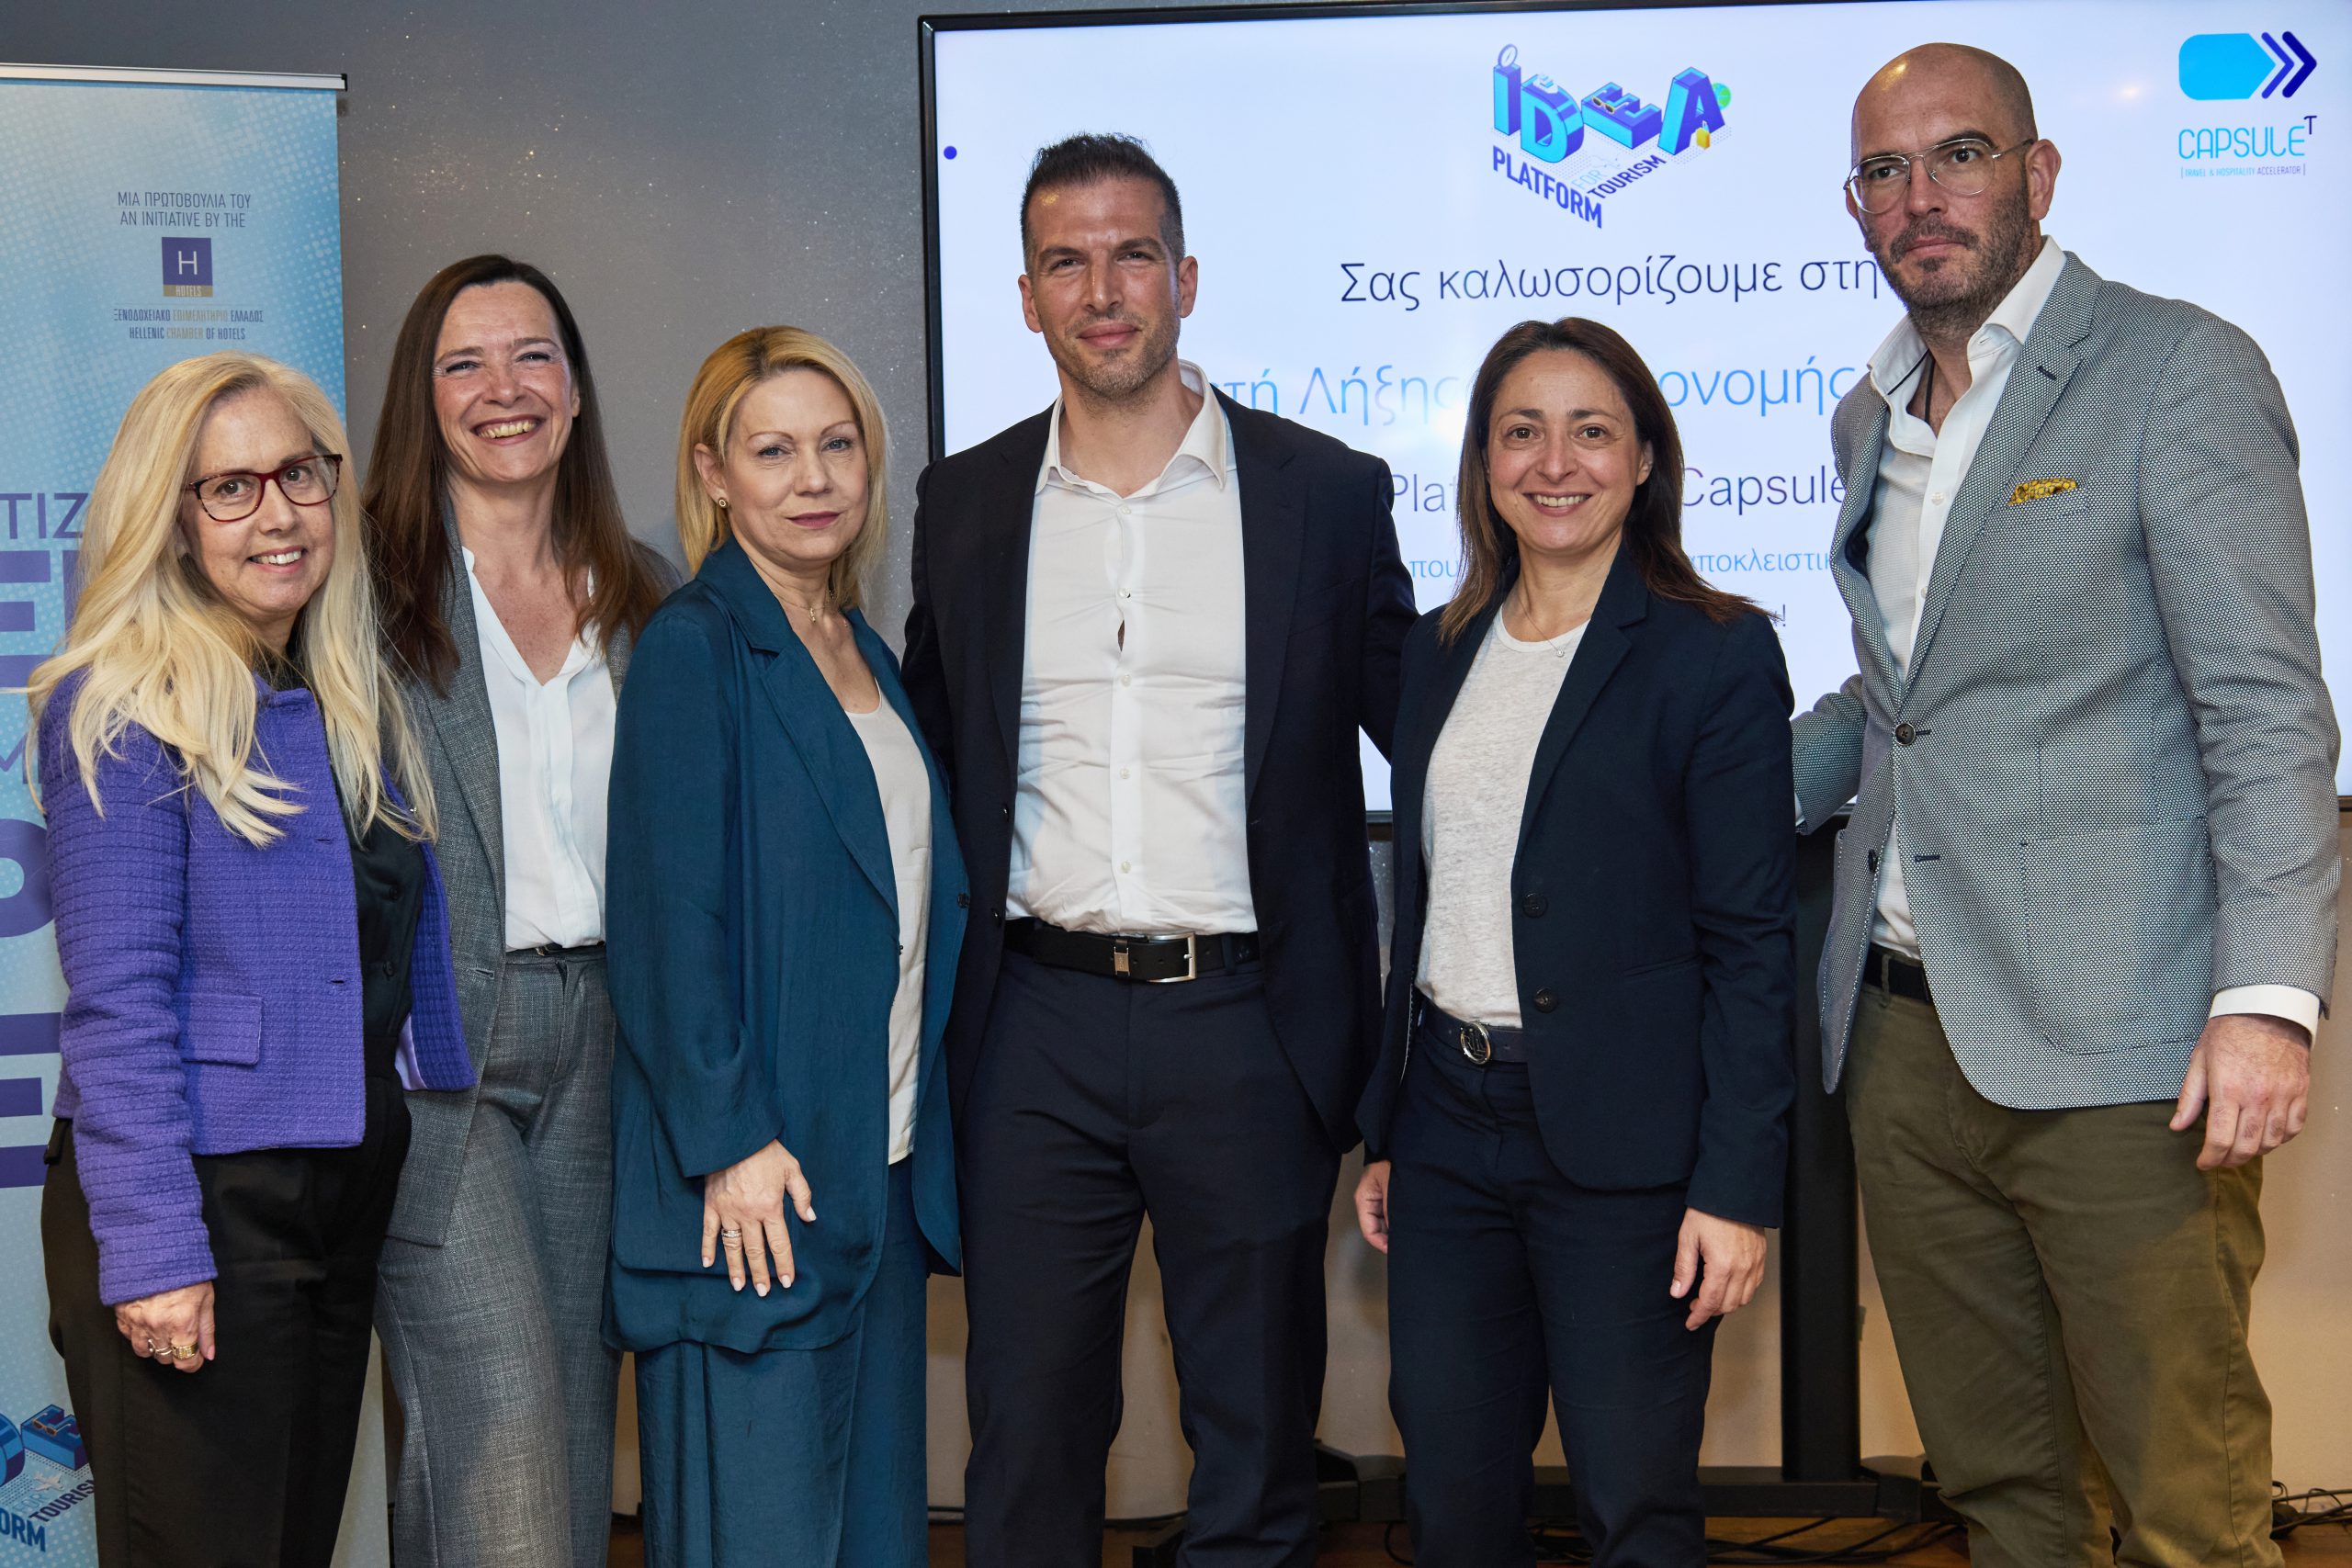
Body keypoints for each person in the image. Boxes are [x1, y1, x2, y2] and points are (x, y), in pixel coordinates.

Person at [1793, 44, 2339, 1568]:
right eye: (1887, 171)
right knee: (2005, 1497)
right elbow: (1897, 701)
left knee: (2185, 1512)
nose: (1922, 197)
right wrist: (1669, 783)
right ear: (1857, 205)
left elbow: (2265, 711)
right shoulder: (1867, 417)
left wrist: (2268, 1004)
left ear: (2037, 173)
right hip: (1901, 1044)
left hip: (2125, 1053)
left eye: (1959, 155)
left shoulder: (2178, 371)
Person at [901, 132, 1417, 1567]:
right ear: (1025, 298)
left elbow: (1432, 737)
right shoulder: (967, 505)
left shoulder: (1324, 493)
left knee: (1254, 1442)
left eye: (1132, 255)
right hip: (1032, 1030)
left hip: (1249, 1024)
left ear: (1185, 278)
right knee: (1026, 1434)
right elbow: (926, 755)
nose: (1102, 290)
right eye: (1066, 262)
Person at [1351, 318, 1794, 1566]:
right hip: (1446, 1130)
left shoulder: (1714, 652)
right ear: (1484, 464)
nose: (1556, 463)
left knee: (1632, 1505)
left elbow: (1750, 945)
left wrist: (1734, 1191)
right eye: (1522, 432)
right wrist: (1389, 1132)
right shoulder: (1438, 650)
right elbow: (1428, 900)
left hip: (1628, 1152)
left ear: (1645, 458)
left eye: (1592, 430)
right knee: (1450, 1503)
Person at [31, 352, 475, 1567]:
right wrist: (155, 1255)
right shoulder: (121, 704)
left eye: (298, 474)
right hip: (198, 1199)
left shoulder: (339, 694)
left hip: (335, 1191)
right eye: (230, 488)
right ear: (168, 520)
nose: (278, 512)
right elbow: (118, 1008)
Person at [605, 326, 965, 1568]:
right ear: (713, 474)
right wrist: (730, 1142)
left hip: (877, 1175)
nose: (813, 478)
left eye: (836, 445)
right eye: (773, 451)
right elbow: (667, 924)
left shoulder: (865, 650)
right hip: (756, 1195)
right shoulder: (695, 645)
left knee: (874, 1541)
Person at [362, 254, 672, 1568]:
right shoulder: (361, 591)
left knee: (570, 1440)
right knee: (500, 1435)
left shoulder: (644, 591)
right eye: (465, 363)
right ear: (423, 399)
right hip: (443, 1051)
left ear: (578, 388)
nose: (505, 388)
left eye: (533, 355)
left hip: (611, 1039)